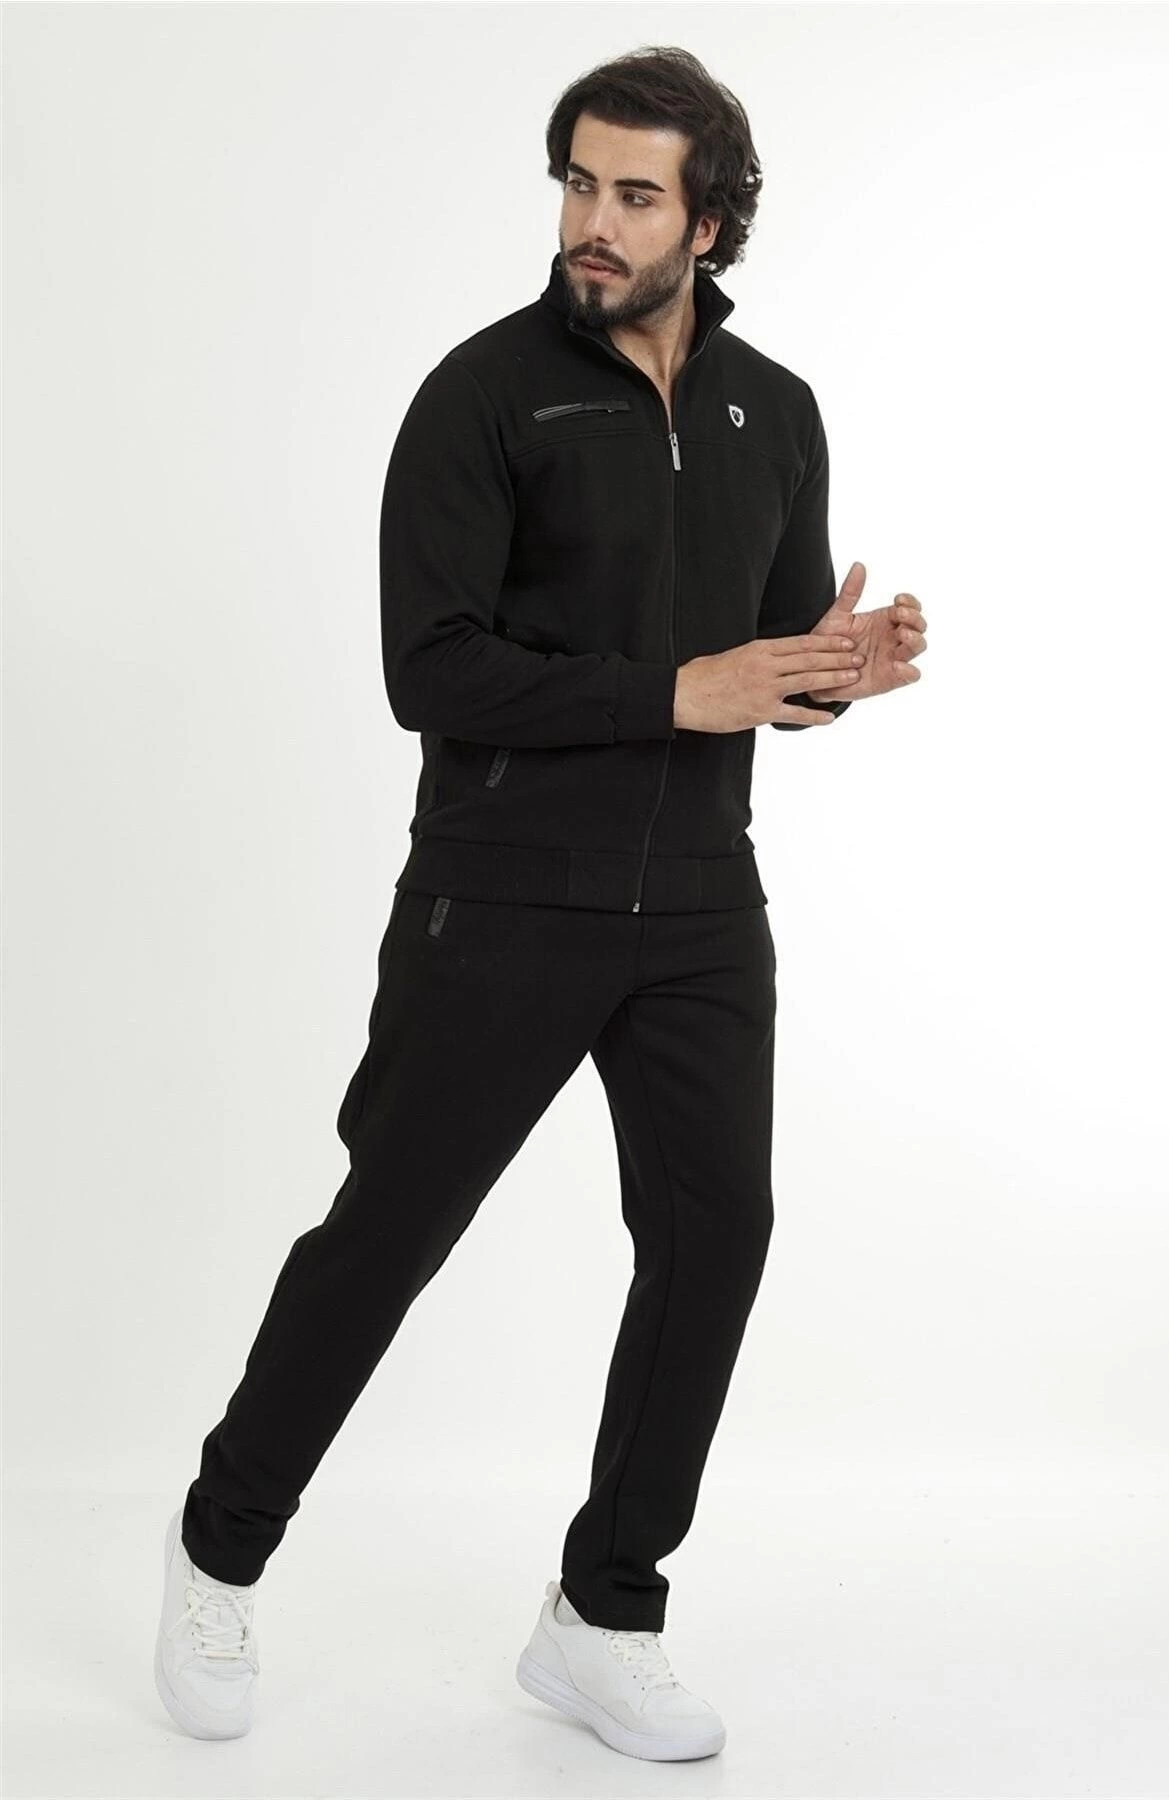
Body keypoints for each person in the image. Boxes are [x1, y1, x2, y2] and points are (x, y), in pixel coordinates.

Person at [154, 44, 926, 1763]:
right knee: (390, 1234)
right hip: (502, 897)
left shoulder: (775, 411)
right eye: (578, 183)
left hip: (701, 905)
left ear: (708, 224)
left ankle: (604, 1612)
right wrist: (677, 693)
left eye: (634, 194)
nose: (593, 221)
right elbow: (428, 670)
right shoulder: (483, 396)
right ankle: (217, 1553)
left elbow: (765, 667)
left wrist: (835, 674)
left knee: (716, 1237)